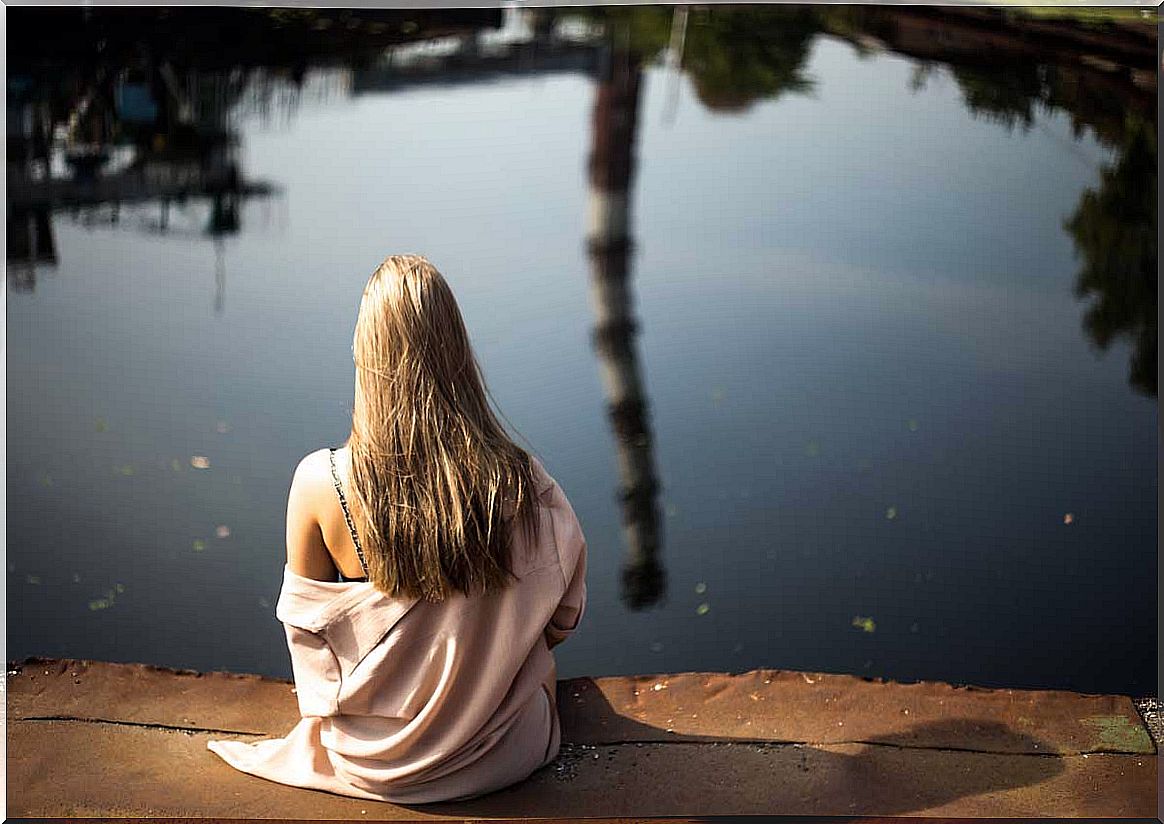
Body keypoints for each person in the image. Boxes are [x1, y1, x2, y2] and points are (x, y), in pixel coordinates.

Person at [208, 255, 588, 804]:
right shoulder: (522, 482)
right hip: (501, 755)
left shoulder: (321, 483)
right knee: (542, 677)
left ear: (365, 354)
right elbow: (563, 618)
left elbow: (309, 650)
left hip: (370, 765)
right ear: (458, 352)